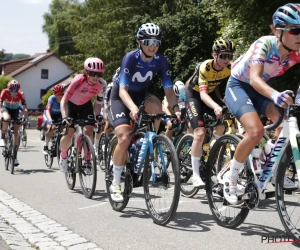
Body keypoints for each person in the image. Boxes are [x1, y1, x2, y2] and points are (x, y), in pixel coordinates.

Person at [223, 3, 300, 205]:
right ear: (278, 30)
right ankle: (231, 179)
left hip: (260, 89)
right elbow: (255, 79)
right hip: (240, 85)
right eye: (296, 30)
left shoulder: (297, 51)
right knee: (255, 131)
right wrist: (275, 95)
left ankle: (270, 161)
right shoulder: (264, 44)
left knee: (284, 122)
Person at [109, 22, 181, 202]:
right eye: (148, 41)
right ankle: (116, 182)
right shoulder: (131, 58)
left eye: (157, 42)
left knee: (157, 106)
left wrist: (178, 109)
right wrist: (133, 108)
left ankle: (148, 143)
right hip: (121, 96)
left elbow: (169, 92)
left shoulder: (161, 61)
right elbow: (123, 91)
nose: (153, 46)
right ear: (139, 42)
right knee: (124, 138)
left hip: (141, 94)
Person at [185, 38, 235, 187]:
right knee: (199, 132)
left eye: (229, 56)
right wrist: (215, 107)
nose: (227, 59)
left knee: (224, 123)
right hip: (195, 95)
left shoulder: (230, 68)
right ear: (215, 54)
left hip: (211, 94)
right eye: (223, 56)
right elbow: (202, 95)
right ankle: (195, 175)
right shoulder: (205, 67)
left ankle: (211, 148)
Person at [59, 57, 107, 173]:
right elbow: (64, 100)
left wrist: (98, 115)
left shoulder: (102, 84)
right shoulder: (78, 80)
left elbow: (97, 104)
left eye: (99, 74)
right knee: (69, 132)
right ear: (86, 72)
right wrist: (65, 117)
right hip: (71, 104)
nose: (96, 77)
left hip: (86, 105)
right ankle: (63, 155)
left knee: (89, 131)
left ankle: (87, 159)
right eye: (93, 73)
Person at [0, 80, 28, 165]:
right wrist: (0, 114)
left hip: (15, 110)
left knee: (16, 130)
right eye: (12, 90)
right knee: (6, 118)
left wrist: (24, 116)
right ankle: (2, 136)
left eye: (16, 90)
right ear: (9, 89)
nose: (14, 92)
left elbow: (25, 108)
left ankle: (15, 157)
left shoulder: (21, 94)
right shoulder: (4, 92)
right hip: (5, 108)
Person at [42, 84, 64, 154]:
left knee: (64, 128)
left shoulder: (65, 98)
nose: (60, 96)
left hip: (58, 115)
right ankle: (46, 145)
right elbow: (48, 110)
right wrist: (50, 120)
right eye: (58, 94)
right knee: (52, 128)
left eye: (61, 94)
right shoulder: (51, 98)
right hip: (49, 115)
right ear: (54, 94)